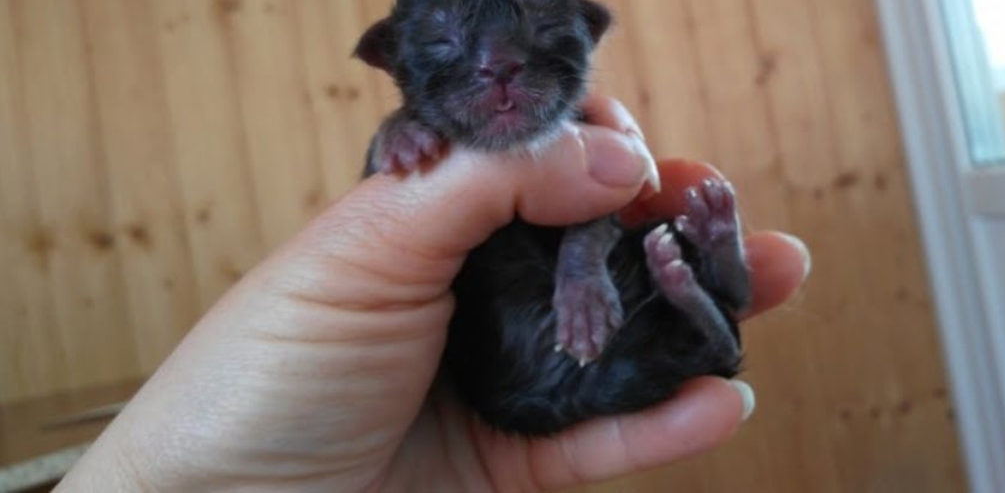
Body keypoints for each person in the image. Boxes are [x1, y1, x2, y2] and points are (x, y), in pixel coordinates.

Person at [58, 96, 810, 491]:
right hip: (524, 371)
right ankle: (702, 287)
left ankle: (702, 284)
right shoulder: (446, 150)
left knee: (687, 297)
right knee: (697, 322)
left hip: (548, 354)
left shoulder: (534, 137)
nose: (502, 79)